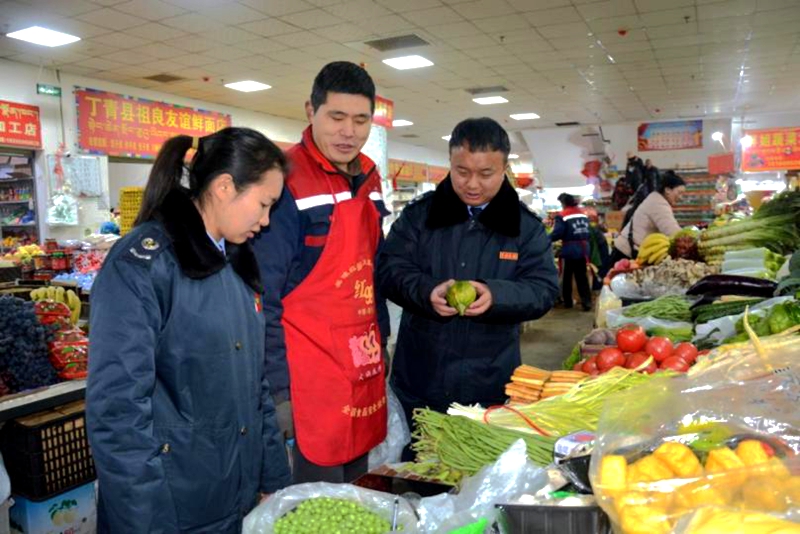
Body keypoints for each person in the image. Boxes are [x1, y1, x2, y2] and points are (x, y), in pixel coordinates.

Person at [87, 128, 291, 534]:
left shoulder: (237, 265)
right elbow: (118, 412)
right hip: (171, 507)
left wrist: (273, 480)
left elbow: (257, 386)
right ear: (224, 186)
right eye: (264, 204)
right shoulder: (144, 265)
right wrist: (146, 521)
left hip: (232, 495)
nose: (266, 221)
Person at [252, 61, 389, 484]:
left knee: (358, 493)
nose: (349, 131)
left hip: (359, 363)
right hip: (307, 374)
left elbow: (372, 273)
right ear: (310, 111)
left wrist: (382, 345)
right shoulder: (286, 179)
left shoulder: (369, 175)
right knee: (315, 502)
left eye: (361, 120)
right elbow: (264, 293)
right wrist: (279, 392)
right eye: (337, 117)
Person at [378, 117, 559, 432]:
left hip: (489, 381)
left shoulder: (524, 227)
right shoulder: (420, 216)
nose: (472, 184)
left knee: (479, 469)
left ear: (504, 169)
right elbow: (389, 268)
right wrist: (425, 291)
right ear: (451, 162)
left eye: (486, 174)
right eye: (462, 172)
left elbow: (543, 288)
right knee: (414, 472)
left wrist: (496, 295)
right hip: (420, 378)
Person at [612, 171, 687, 262]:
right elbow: (673, 232)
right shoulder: (658, 204)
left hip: (627, 250)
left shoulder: (655, 198)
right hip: (625, 254)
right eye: (679, 193)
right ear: (667, 190)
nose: (681, 197)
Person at [550, 193, 592, 311]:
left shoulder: (563, 215)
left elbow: (558, 233)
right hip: (584, 248)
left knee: (566, 276)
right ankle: (586, 302)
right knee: (582, 276)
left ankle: (567, 302)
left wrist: (545, 239)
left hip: (570, 249)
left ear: (564, 203)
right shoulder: (582, 214)